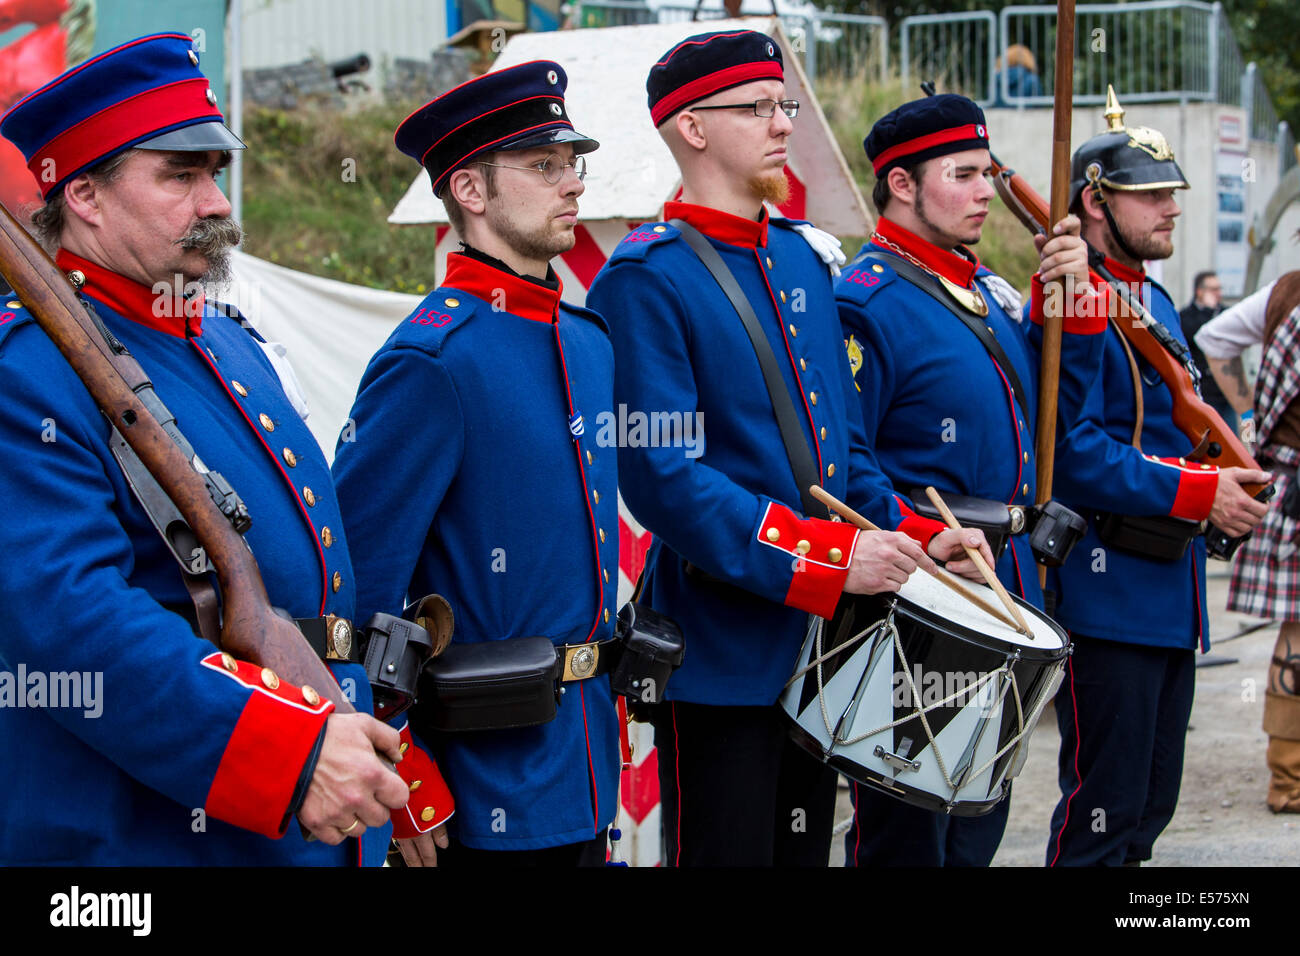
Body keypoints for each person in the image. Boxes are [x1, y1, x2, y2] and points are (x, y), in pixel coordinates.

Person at [0, 32, 424, 864]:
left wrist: (365, 750)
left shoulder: (228, 344)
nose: (218, 203)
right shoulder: (29, 373)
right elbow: (73, 621)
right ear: (82, 195)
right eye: (180, 175)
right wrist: (289, 752)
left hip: (310, 808)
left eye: (214, 174)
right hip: (154, 843)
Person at [585, 29, 993, 867]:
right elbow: (661, 476)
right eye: (758, 108)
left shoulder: (800, 259)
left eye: (785, 106)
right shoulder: (645, 276)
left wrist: (913, 537)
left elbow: (841, 449)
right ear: (692, 128)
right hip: (725, 651)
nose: (783, 124)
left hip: (825, 644)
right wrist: (827, 559)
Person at [333, 60, 620, 867]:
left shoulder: (587, 343)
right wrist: (402, 771)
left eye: (573, 164)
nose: (571, 185)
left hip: (584, 767)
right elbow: (350, 587)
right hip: (479, 791)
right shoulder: (433, 361)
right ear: (469, 189)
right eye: (543, 166)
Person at [835, 93, 1106, 867]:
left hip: (1008, 586)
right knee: (911, 833)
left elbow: (1053, 422)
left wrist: (1073, 310)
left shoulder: (986, 293)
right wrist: (920, 543)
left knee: (979, 820)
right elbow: (851, 468)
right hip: (925, 600)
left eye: (988, 172)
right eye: (964, 174)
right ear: (901, 185)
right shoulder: (867, 303)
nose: (987, 190)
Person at [1043, 93, 1270, 865]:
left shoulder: (1154, 298)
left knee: (1147, 814)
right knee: (1100, 821)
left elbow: (1184, 420)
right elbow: (1071, 452)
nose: (1171, 208)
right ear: (1094, 204)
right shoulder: (1071, 298)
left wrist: (1234, 473)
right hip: (1106, 594)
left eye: (1172, 192)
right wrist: (1200, 492)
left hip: (1169, 594)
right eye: (1150, 193)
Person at [1195, 269, 1300, 813]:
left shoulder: (1286, 290)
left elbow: (1215, 339)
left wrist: (1250, 418)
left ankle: (1290, 776)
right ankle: (1290, 779)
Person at [1179, 270, 1236, 434]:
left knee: (1235, 440)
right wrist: (1208, 312)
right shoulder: (1185, 316)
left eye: (1219, 289)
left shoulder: (1225, 313)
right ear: (1199, 292)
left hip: (1227, 392)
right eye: (1213, 289)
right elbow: (1198, 334)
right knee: (1211, 441)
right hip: (1205, 394)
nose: (1219, 294)